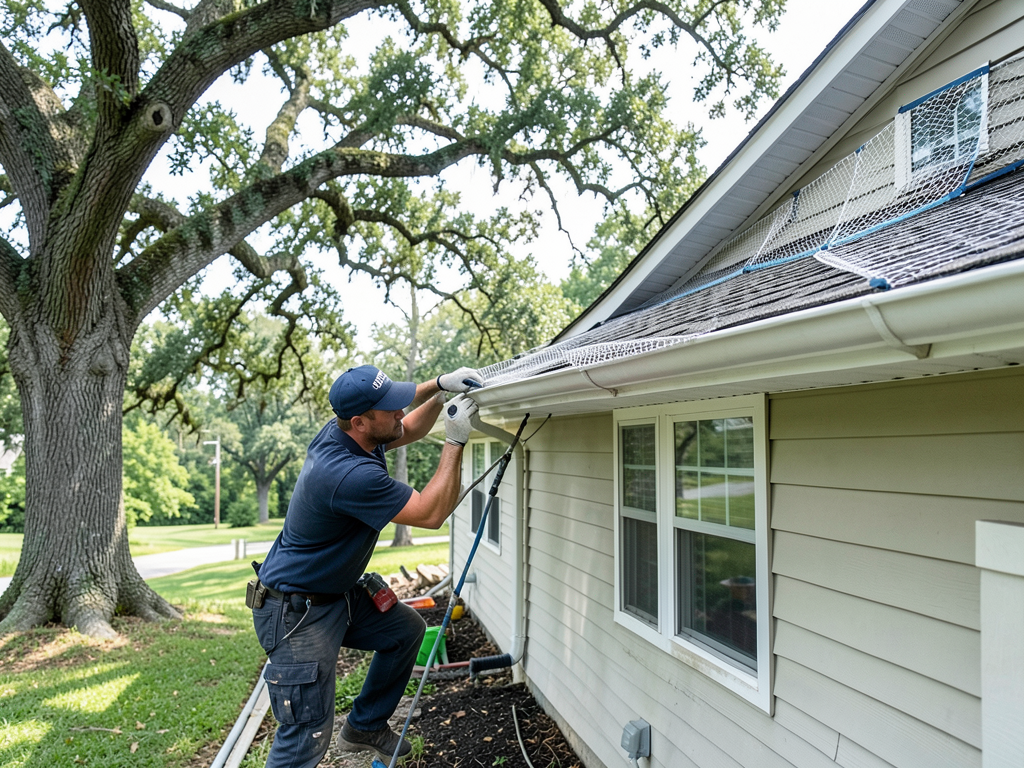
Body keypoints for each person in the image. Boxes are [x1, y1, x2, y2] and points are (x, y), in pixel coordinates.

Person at [250, 364, 483, 767]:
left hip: (332, 595)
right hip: (295, 613)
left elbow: (405, 428)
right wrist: (455, 440)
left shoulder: (347, 434)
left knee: (405, 630)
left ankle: (365, 725)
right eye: (389, 408)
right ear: (360, 422)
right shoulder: (347, 474)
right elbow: (430, 513)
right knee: (306, 737)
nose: (399, 412)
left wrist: (441, 389)